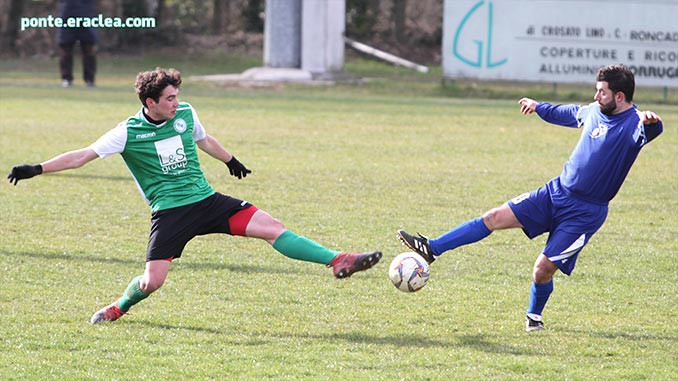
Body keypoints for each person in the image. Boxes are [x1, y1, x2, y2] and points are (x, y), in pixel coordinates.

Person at [8, 67, 382, 324]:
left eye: (176, 96)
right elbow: (82, 156)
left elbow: (202, 138)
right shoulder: (127, 132)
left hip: (207, 202)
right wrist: (37, 168)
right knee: (151, 282)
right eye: (169, 98)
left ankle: (337, 259)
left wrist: (230, 159)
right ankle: (118, 308)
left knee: (272, 227)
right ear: (150, 101)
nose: (176, 102)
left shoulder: (185, 112)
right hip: (170, 214)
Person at [397, 64, 663, 332]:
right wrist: (539, 107)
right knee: (493, 217)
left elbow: (648, 133)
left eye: (602, 93)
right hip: (555, 193)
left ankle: (534, 317)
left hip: (584, 214)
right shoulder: (595, 111)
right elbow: (568, 113)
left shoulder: (633, 124)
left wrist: (652, 124)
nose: (596, 97)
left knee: (542, 270)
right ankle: (431, 248)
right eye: (596, 91)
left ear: (619, 96)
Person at [58, 0, 98, 87]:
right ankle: (66, 79)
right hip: (67, 15)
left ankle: (89, 79)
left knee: (89, 49)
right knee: (65, 49)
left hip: (87, 15)